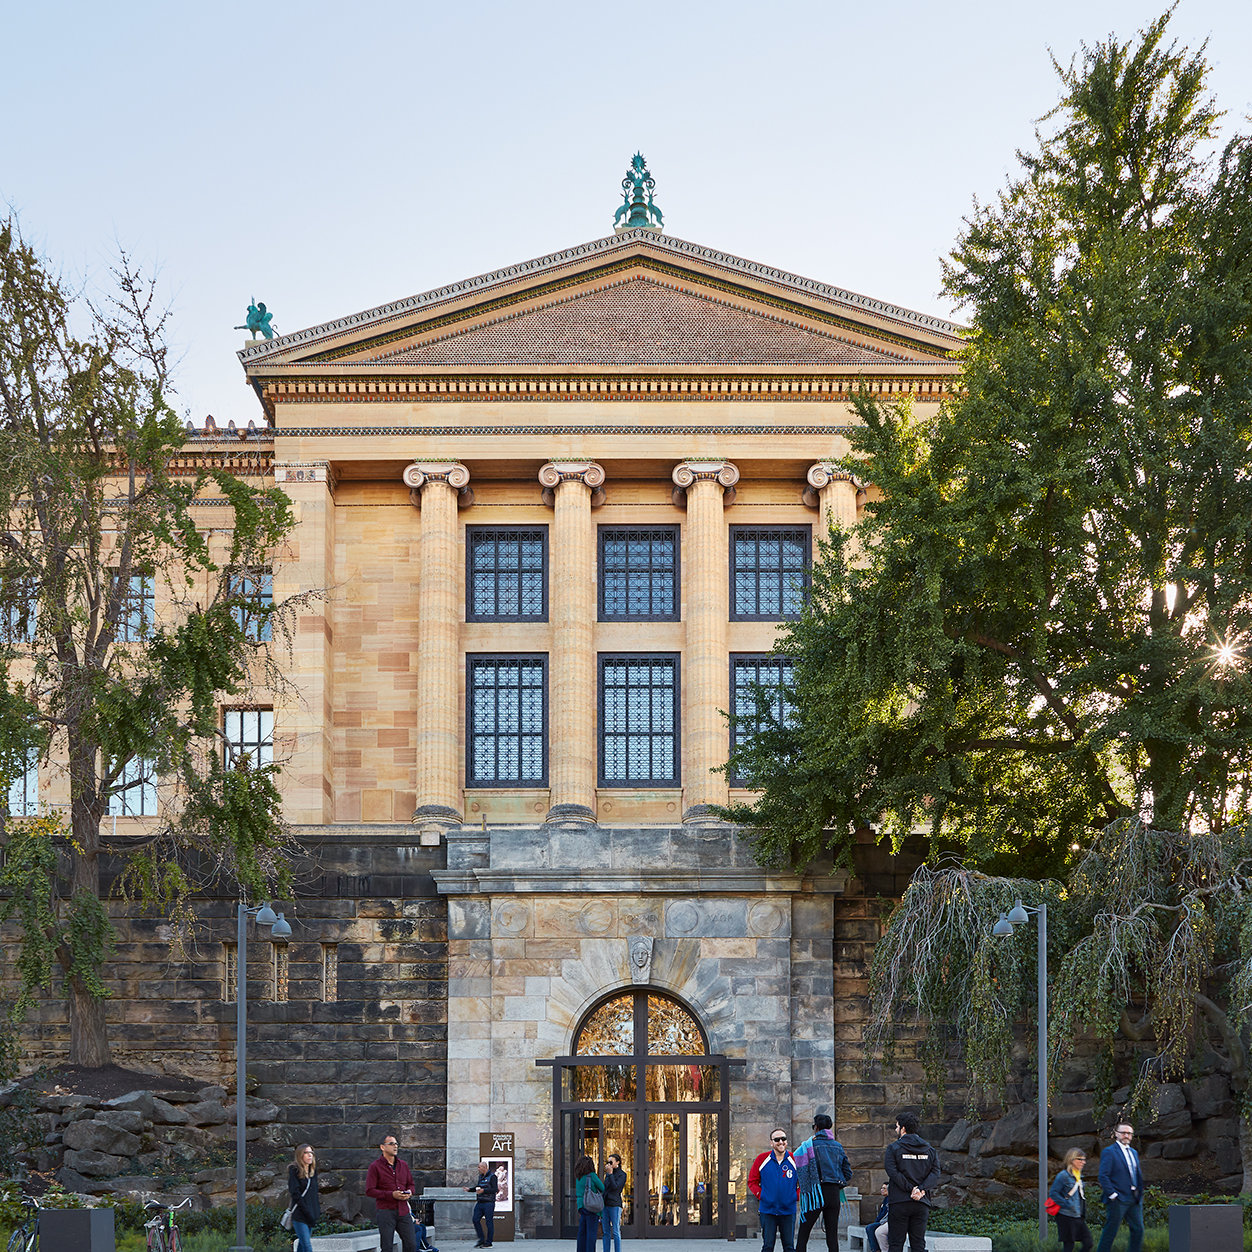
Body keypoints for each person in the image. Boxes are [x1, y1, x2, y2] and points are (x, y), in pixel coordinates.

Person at [793, 1113, 852, 1252]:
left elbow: (798, 1168)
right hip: (833, 1194)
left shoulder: (808, 1146)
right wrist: (837, 1182)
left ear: (816, 1128)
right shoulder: (838, 1146)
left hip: (814, 1193)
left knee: (804, 1233)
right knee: (832, 1235)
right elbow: (848, 1173)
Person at [883, 1112, 940, 1252]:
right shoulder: (930, 1149)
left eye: (897, 1127)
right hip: (921, 1202)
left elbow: (893, 1172)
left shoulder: (893, 1148)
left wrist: (911, 1189)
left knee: (896, 1244)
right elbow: (935, 1173)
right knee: (918, 1244)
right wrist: (920, 1189)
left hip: (899, 1202)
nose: (896, 1130)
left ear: (903, 1128)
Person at [366, 1133, 419, 1252]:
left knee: (411, 1244)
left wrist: (409, 1192)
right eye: (391, 1144)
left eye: (396, 1144)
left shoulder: (403, 1165)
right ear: (382, 1147)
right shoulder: (375, 1167)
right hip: (386, 1212)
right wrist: (391, 1195)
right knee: (387, 1247)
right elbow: (370, 1191)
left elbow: (411, 1184)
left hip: (403, 1211)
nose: (395, 1146)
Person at [749, 1128, 799, 1252]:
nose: (781, 1142)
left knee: (789, 1247)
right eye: (777, 1139)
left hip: (788, 1210)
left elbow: (803, 1182)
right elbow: (752, 1181)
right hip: (768, 1210)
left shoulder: (794, 1159)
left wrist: (795, 1196)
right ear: (771, 1143)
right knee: (767, 1247)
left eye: (783, 1139)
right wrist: (762, 1195)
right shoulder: (762, 1159)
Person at [1096, 1123, 1143, 1252]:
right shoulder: (1109, 1152)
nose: (1126, 1135)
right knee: (1111, 1231)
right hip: (1118, 1199)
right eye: (1123, 1132)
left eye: (1129, 1133)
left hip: (1134, 1199)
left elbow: (1136, 1174)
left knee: (1138, 1230)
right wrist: (1113, 1195)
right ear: (1116, 1134)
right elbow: (1103, 1175)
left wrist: (1140, 1193)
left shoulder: (1133, 1152)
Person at [1050, 1147, 1093, 1252]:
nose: (1083, 1162)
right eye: (1080, 1159)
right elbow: (1053, 1193)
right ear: (1071, 1159)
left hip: (1078, 1216)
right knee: (1069, 1246)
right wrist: (1067, 1204)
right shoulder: (1063, 1176)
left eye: (1084, 1160)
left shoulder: (1079, 1176)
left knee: (1088, 1243)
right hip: (1066, 1215)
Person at [288, 1143, 321, 1252]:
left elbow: (314, 1195)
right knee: (307, 1246)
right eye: (306, 1153)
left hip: (311, 1215)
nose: (309, 1155)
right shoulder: (294, 1170)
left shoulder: (313, 1172)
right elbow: (295, 1193)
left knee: (302, 1246)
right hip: (300, 1214)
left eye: (311, 1152)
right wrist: (307, 1212)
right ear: (300, 1155)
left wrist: (315, 1213)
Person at [575, 1153, 606, 1252]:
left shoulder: (578, 1177)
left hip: (581, 1206)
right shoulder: (591, 1176)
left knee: (582, 1232)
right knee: (591, 1233)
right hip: (591, 1206)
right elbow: (602, 1187)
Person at [466, 1158, 500, 1247]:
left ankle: (488, 1242)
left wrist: (483, 1191)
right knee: (475, 1219)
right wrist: (470, 1189)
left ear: (485, 1167)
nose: (478, 1169)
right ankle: (481, 1239)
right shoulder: (481, 1177)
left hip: (489, 1203)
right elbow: (478, 1187)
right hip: (480, 1202)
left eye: (479, 1167)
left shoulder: (493, 1176)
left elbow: (494, 1189)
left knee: (489, 1222)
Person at [602, 1152, 628, 1252]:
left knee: (616, 1231)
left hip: (615, 1205)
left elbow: (616, 1188)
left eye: (611, 1161)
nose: (609, 1164)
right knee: (605, 1232)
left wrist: (611, 1174)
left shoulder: (622, 1174)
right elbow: (605, 1188)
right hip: (605, 1204)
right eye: (608, 1162)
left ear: (617, 1162)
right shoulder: (608, 1174)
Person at [863, 1183, 890, 1252]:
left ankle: (876, 1250)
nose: (882, 1190)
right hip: (882, 1222)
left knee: (870, 1228)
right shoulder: (885, 1199)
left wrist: (879, 1222)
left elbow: (885, 1215)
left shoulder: (890, 1200)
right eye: (881, 1188)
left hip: (886, 1222)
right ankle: (876, 1249)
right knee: (870, 1227)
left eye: (884, 1188)